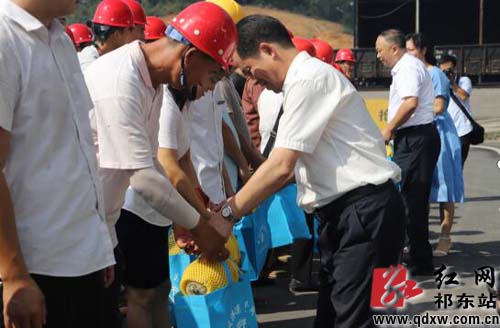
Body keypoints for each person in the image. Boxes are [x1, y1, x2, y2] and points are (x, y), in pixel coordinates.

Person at [206, 15, 405, 328]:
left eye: (249, 70)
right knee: (334, 316)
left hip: (363, 212)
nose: (253, 81)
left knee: (353, 319)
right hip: (349, 214)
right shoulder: (302, 81)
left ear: (268, 50)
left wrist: (228, 213)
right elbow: (277, 163)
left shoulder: (310, 79)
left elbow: (282, 166)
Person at [84, 2, 237, 327]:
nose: (210, 87)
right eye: (213, 75)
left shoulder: (151, 82)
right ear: (191, 57)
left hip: (101, 226)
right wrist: (200, 226)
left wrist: (192, 217)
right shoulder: (121, 83)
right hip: (79, 228)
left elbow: (154, 161)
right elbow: (142, 176)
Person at [0, 0, 116, 327]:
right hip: (35, 268)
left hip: (82, 258)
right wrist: (13, 275)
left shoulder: (60, 40)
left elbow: (76, 150)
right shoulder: (5, 37)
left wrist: (98, 244)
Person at [376, 29, 440, 275]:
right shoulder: (407, 66)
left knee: (409, 202)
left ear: (394, 48)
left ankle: (419, 260)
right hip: (415, 138)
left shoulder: (407, 68)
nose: (378, 56)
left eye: (380, 50)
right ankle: (419, 257)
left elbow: (410, 102)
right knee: (412, 201)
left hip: (416, 138)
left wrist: (389, 128)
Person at [406, 33, 464, 257]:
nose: (409, 54)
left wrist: (411, 114)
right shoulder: (412, 73)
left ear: (422, 50)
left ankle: (444, 237)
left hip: (439, 133)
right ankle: (418, 239)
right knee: (420, 188)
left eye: (411, 50)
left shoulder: (435, 74)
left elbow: (439, 106)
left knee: (444, 188)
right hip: (421, 133)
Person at [78, 0, 136, 71]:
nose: (133, 35)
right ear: (117, 35)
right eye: (130, 30)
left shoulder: (98, 58)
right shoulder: (91, 66)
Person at [439, 54, 475, 165]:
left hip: (463, 130)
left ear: (455, 68)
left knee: (458, 165)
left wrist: (452, 83)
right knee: (446, 165)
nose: (446, 73)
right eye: (443, 71)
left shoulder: (464, 80)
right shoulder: (439, 82)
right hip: (447, 130)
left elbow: (464, 96)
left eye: (449, 70)